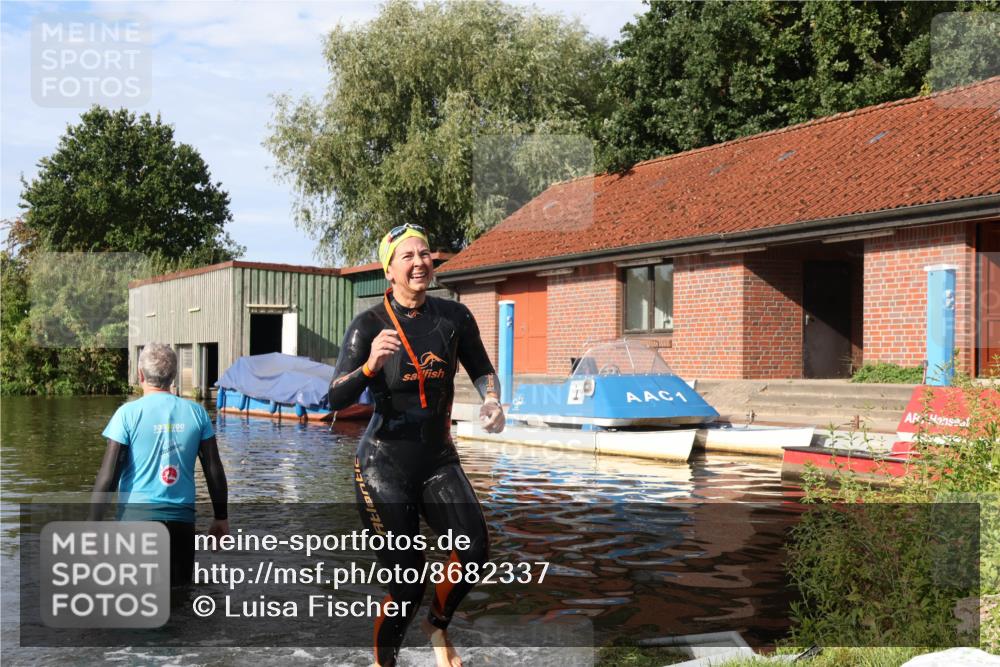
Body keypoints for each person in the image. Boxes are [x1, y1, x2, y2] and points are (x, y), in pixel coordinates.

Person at [328, 224, 505, 667]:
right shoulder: (368, 325)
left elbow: (483, 368)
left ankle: (437, 625)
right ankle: (382, 663)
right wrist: (369, 368)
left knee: (475, 551)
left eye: (424, 254)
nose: (419, 263)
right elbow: (333, 398)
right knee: (408, 582)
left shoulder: (454, 318)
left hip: (438, 457)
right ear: (389, 270)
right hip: (383, 464)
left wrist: (493, 399)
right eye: (407, 257)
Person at [90, 342, 229, 586]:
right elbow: (214, 469)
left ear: (140, 375)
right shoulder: (197, 413)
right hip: (181, 524)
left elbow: (108, 476)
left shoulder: (127, 414)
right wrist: (221, 517)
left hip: (136, 524)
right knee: (180, 598)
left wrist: (94, 524)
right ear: (173, 376)